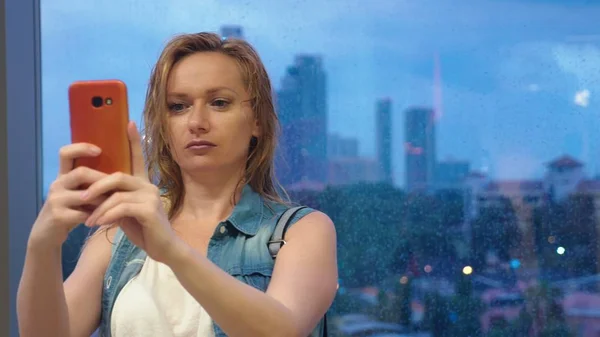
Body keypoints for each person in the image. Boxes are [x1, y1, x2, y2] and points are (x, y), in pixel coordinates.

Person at [17, 32, 338, 337]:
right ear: (163, 125)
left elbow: (281, 331)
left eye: (219, 102)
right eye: (178, 106)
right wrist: (43, 245)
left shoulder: (301, 231)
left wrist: (169, 249)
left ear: (257, 120)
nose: (197, 122)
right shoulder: (117, 236)